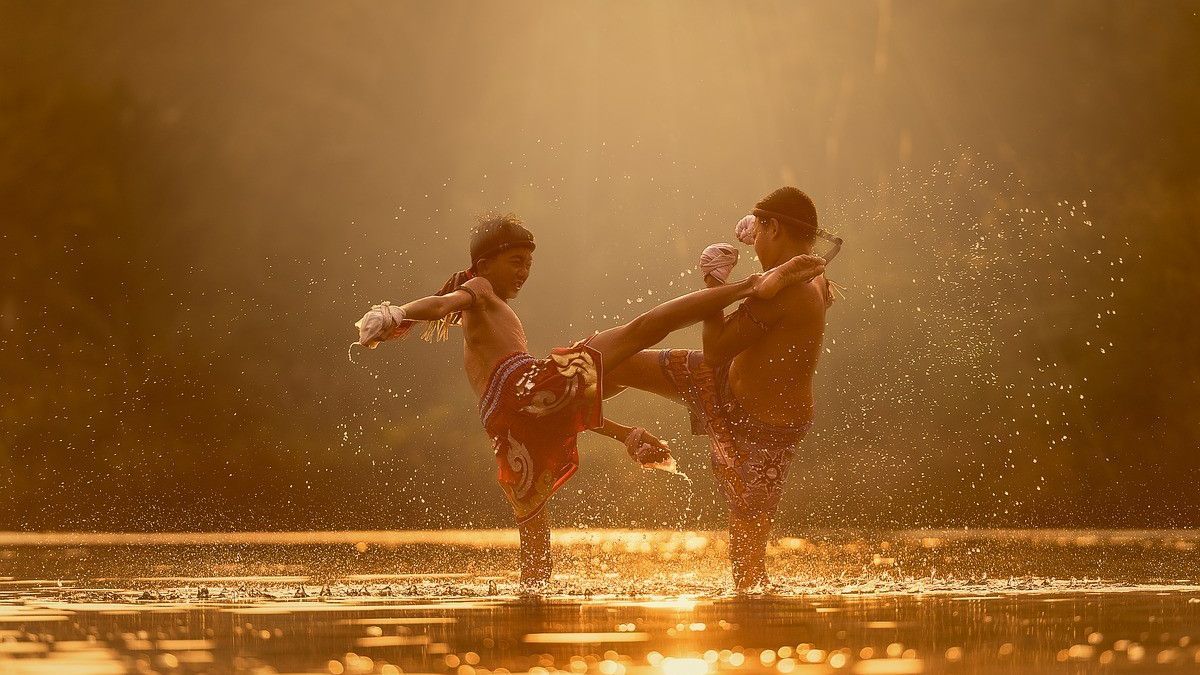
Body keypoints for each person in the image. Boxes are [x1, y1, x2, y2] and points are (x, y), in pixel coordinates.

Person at [354, 213, 826, 589]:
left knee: (535, 554)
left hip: (510, 422)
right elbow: (439, 306)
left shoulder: (489, 313)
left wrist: (625, 434)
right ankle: (744, 285)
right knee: (643, 328)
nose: (522, 272)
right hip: (523, 385)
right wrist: (396, 312)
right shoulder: (476, 290)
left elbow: (554, 410)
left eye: (528, 264)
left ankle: (531, 619)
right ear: (483, 265)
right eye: (515, 262)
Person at [603, 187, 836, 591]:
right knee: (616, 364)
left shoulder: (792, 289)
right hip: (725, 383)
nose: (754, 239)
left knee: (748, 570)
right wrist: (762, 238)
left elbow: (713, 350)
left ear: (775, 228)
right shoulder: (810, 272)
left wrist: (713, 281)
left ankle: (756, 634)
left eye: (760, 230)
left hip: (762, 429)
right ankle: (560, 408)